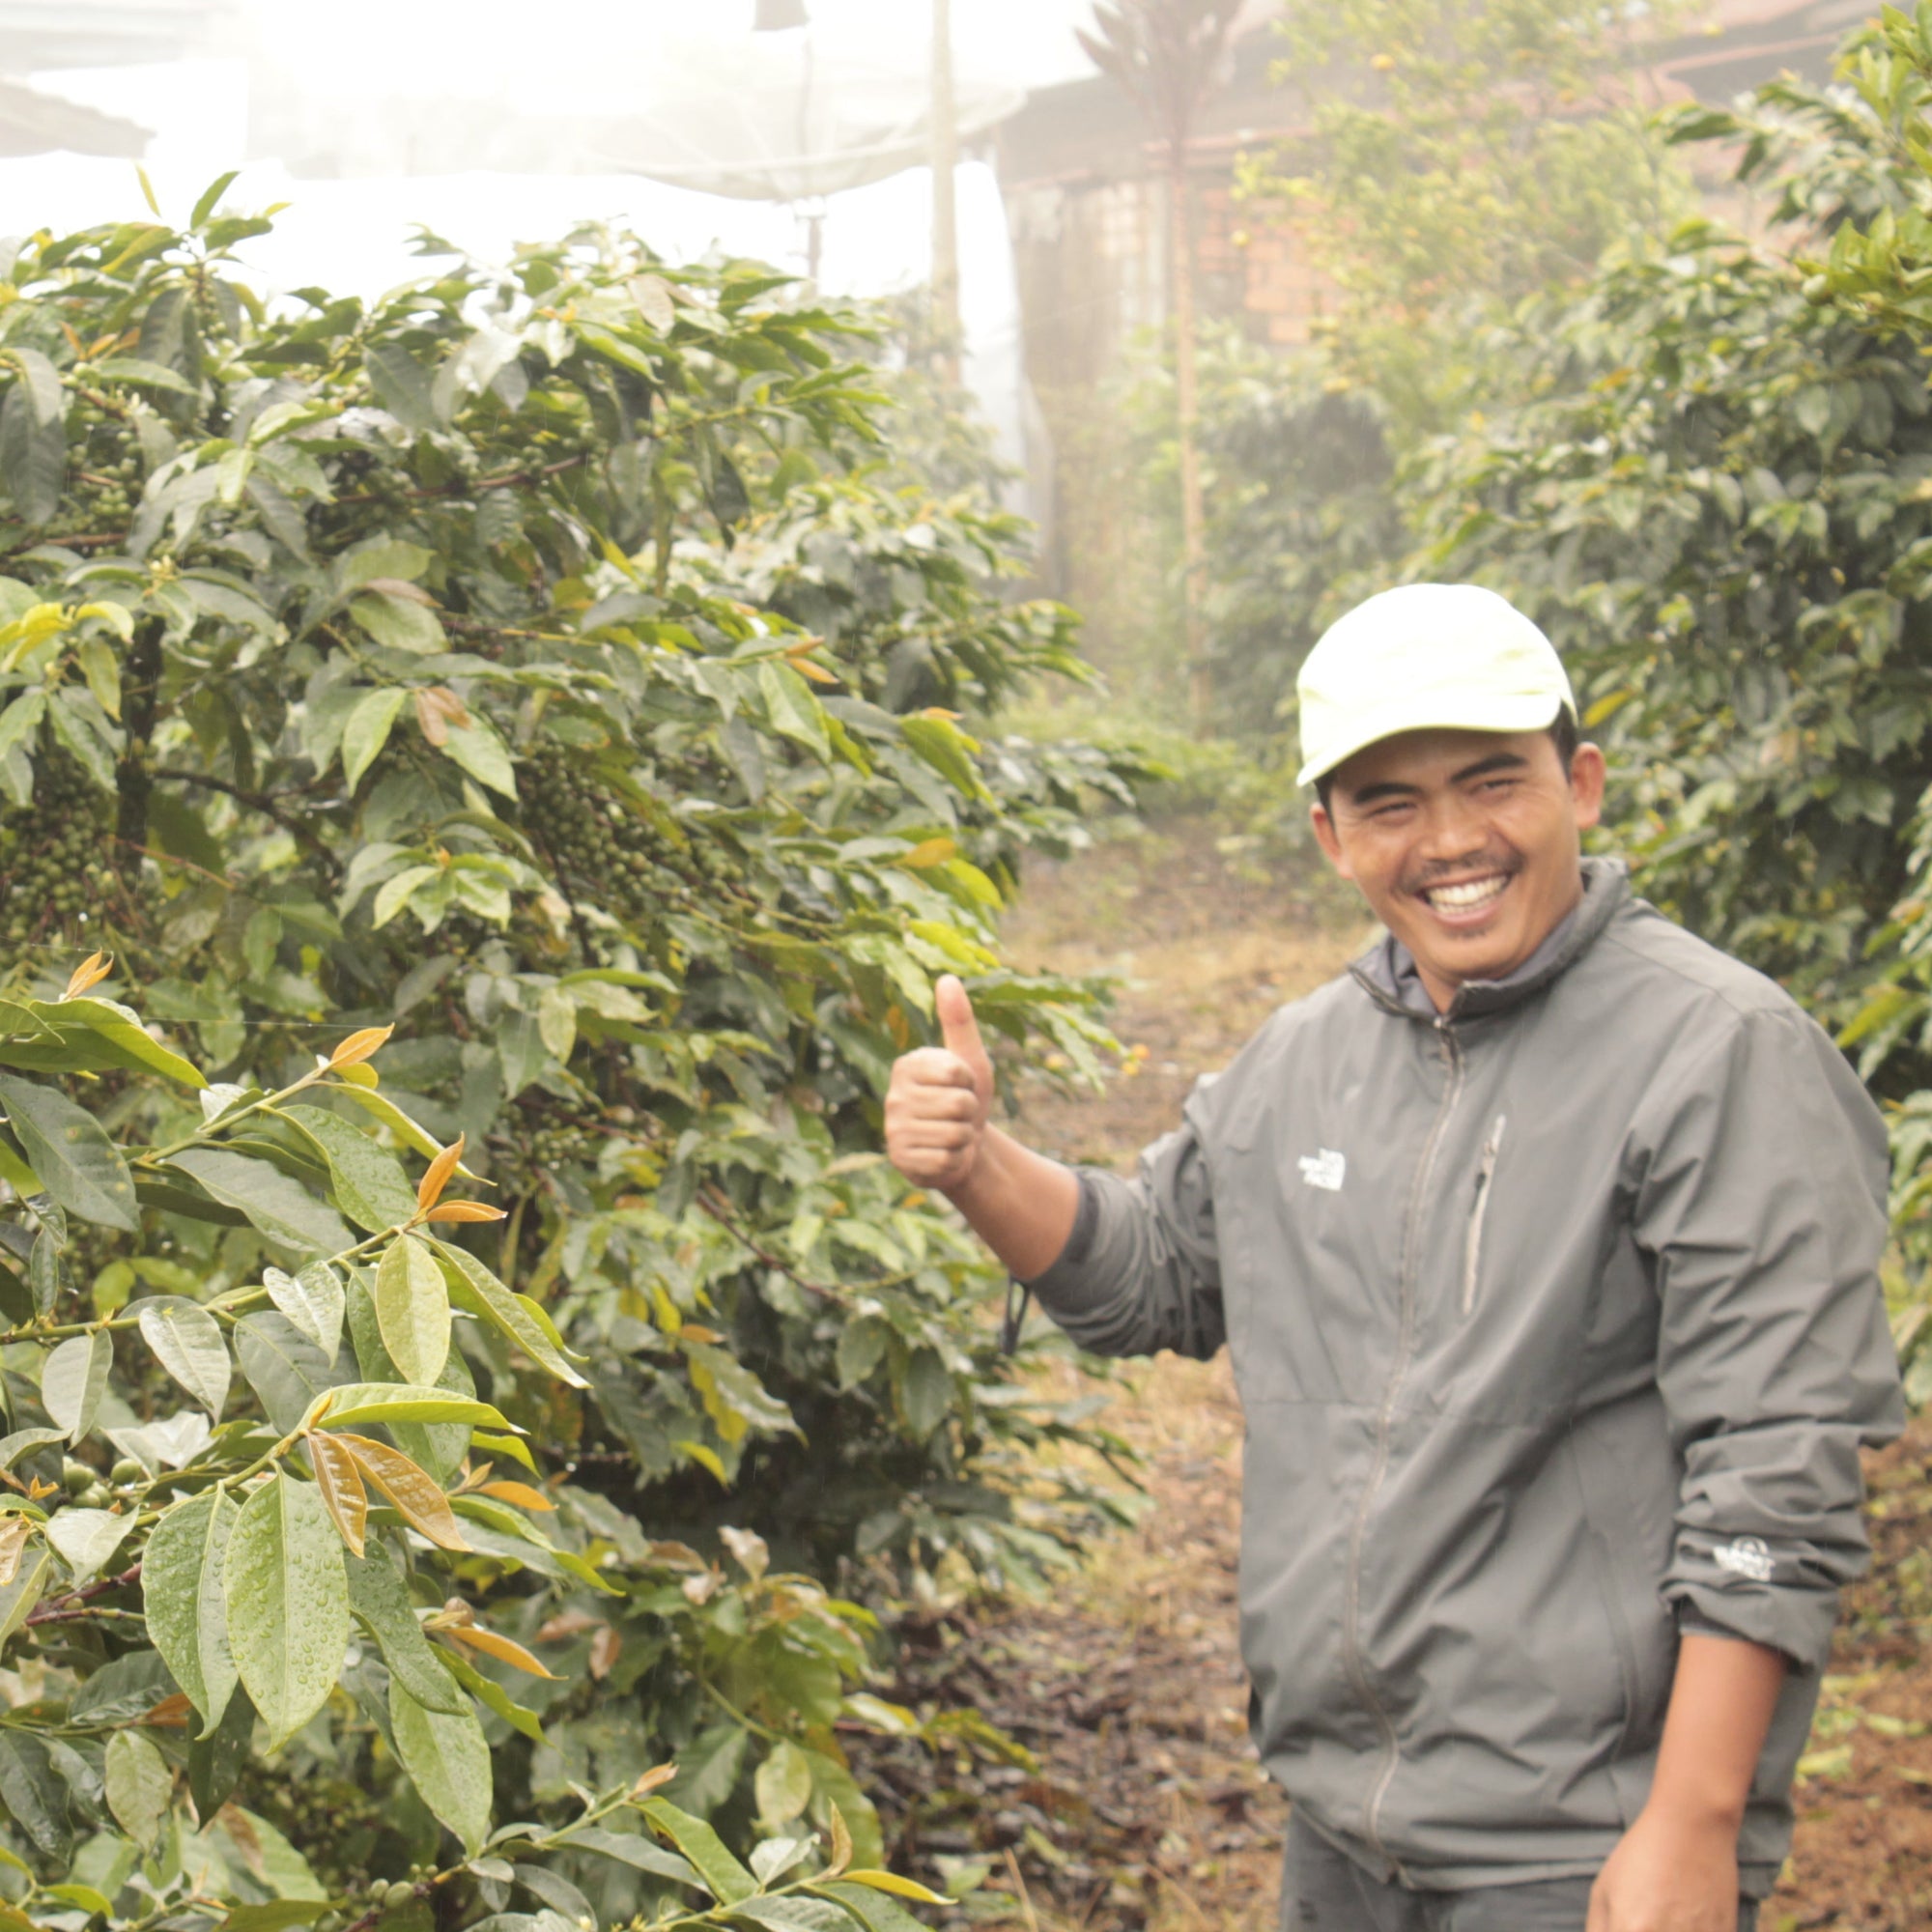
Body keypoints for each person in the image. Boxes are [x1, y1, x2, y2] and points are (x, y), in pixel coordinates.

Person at [883, 583, 1904, 1932]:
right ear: (1329, 834)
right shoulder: (1312, 1055)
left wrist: (1691, 1823)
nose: (1452, 840)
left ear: (1580, 785)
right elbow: (1151, 1271)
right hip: (1344, 1828)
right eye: (1389, 802)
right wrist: (977, 1165)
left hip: (1580, 1848)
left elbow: (1775, 1477)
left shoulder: (1718, 1054)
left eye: (1493, 782)